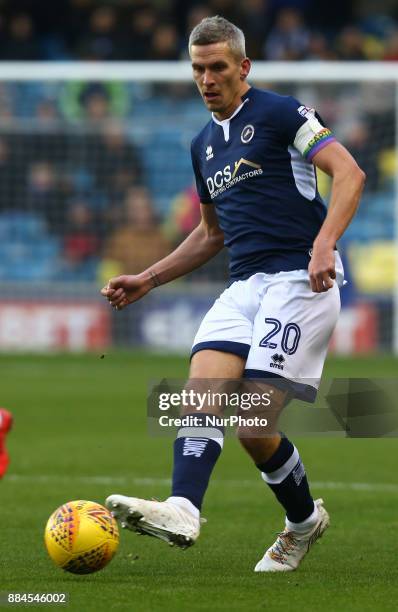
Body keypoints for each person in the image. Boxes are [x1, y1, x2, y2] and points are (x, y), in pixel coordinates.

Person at [101, 16, 365, 572]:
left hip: (300, 279)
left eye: (218, 67)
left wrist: (324, 244)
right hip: (243, 286)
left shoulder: (282, 113)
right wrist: (147, 279)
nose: (207, 79)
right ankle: (182, 508)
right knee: (200, 394)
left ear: (243, 67)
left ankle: (301, 524)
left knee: (251, 423)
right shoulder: (202, 145)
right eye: (198, 69)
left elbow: (350, 173)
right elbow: (210, 234)